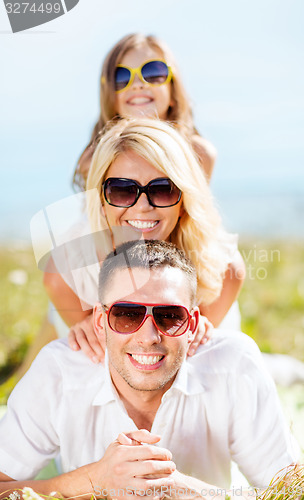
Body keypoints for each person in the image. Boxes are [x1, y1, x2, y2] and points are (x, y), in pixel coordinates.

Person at [0, 240, 298, 498]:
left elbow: (290, 491)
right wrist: (94, 481)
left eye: (169, 316)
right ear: (101, 321)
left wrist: (193, 493)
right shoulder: (58, 371)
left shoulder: (235, 365)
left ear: (193, 324)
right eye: (127, 315)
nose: (148, 337)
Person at [44, 118, 245, 365]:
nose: (142, 207)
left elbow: (185, 365)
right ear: (101, 202)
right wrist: (84, 326)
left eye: (163, 189)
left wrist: (194, 332)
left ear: (184, 202)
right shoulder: (64, 274)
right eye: (121, 189)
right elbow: (103, 364)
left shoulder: (225, 270)